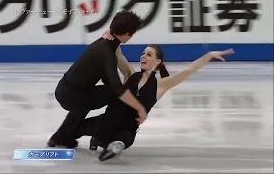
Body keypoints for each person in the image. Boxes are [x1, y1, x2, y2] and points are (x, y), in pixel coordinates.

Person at [73, 34, 235, 161]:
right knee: (73, 131)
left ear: (158, 61)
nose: (143, 56)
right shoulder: (130, 74)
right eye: (143, 53)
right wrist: (111, 37)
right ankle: (98, 140)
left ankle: (115, 146)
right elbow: (119, 55)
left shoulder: (161, 85)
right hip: (104, 123)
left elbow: (189, 70)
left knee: (125, 138)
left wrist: (210, 55)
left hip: (125, 132)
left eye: (149, 54)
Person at [48, 10, 147, 149]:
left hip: (67, 90)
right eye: (132, 33)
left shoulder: (106, 43)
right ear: (126, 34)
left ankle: (60, 138)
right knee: (115, 94)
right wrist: (139, 108)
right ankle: (103, 134)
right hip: (72, 95)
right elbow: (116, 87)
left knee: (90, 99)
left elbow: (109, 78)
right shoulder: (106, 52)